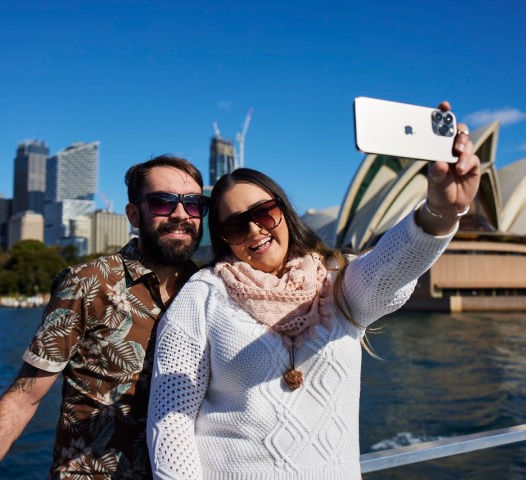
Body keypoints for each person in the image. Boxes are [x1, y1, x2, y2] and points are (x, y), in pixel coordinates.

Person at [147, 103, 481, 478]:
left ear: (285, 213)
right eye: (237, 226)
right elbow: (171, 421)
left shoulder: (335, 282)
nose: (256, 230)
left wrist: (441, 210)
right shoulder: (204, 295)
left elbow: (390, 268)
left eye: (264, 213)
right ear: (224, 239)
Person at [0, 155, 209, 479]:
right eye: (162, 202)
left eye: (194, 204)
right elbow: (23, 399)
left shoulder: (209, 289)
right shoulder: (88, 283)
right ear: (133, 214)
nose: (180, 214)